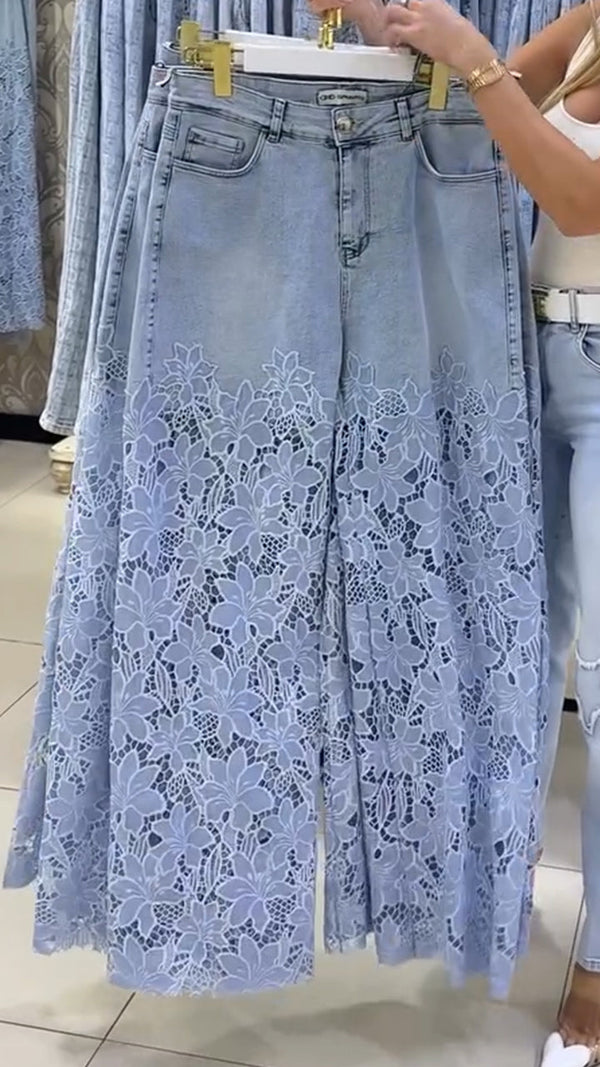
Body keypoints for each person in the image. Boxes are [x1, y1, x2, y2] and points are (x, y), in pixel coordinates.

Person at [309, 0, 600, 1061]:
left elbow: (579, 200)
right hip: (526, 365)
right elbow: (474, 113)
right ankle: (489, 885)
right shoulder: (592, 20)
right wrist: (400, 30)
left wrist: (472, 55)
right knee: (509, 656)